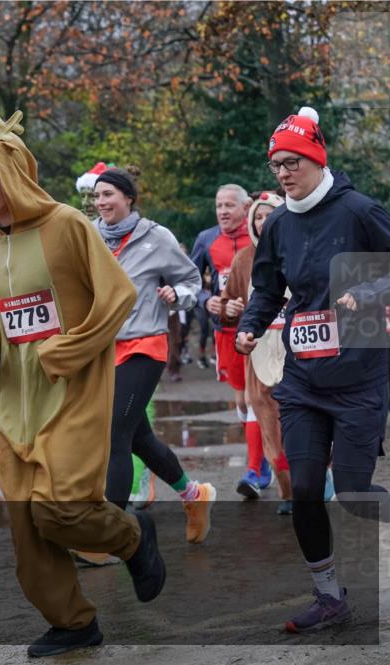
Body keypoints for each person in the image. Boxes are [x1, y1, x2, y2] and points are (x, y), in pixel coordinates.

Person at [0, 111, 165, 657]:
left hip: (72, 394)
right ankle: (73, 621)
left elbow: (118, 294)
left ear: (18, 176)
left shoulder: (67, 225)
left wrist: (73, 349)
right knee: (28, 529)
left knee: (62, 510)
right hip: (14, 406)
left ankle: (134, 536)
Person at [237, 106, 390, 633]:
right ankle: (330, 597)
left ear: (315, 157)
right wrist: (253, 325)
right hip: (303, 375)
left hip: (359, 370)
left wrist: (367, 290)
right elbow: (266, 286)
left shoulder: (357, 209)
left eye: (293, 161)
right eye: (276, 164)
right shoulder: (279, 222)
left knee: (352, 492)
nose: (283, 172)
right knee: (305, 486)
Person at [92, 168, 216, 543]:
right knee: (138, 437)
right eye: (97, 197)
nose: (101, 203)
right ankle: (194, 496)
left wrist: (177, 296)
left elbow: (193, 280)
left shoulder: (156, 237)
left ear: (129, 198)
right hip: (102, 350)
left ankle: (108, 535)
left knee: (115, 433)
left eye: (109, 194)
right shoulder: (90, 235)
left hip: (145, 346)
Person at [191, 183, 273, 496]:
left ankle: (257, 468)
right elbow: (191, 281)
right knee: (242, 401)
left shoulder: (263, 238)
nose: (223, 211)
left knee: (257, 399)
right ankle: (262, 453)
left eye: (229, 205)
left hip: (264, 334)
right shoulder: (206, 240)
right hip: (227, 333)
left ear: (245, 209)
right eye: (218, 205)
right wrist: (205, 300)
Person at [220, 191, 293, 514]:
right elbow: (226, 306)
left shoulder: (301, 250)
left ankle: (315, 484)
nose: (264, 222)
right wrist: (228, 308)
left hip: (299, 354)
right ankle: (288, 492)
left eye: (270, 215)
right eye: (258, 217)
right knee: (270, 430)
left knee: (305, 429)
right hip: (259, 359)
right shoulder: (244, 260)